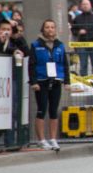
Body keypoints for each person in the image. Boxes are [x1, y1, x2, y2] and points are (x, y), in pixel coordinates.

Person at [28, 19, 70, 150]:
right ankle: (41, 139)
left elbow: (65, 64)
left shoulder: (60, 45)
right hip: (41, 81)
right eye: (47, 27)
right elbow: (32, 65)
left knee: (53, 110)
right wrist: (34, 82)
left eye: (52, 27)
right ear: (43, 30)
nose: (50, 29)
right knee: (41, 109)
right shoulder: (36, 45)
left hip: (56, 80)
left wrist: (67, 81)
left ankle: (53, 138)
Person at [70, 0, 93, 75]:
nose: (85, 6)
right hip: (82, 44)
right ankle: (84, 83)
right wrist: (78, 32)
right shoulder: (77, 18)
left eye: (87, 4)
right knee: (83, 65)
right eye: (83, 4)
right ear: (81, 6)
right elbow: (73, 30)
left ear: (90, 6)